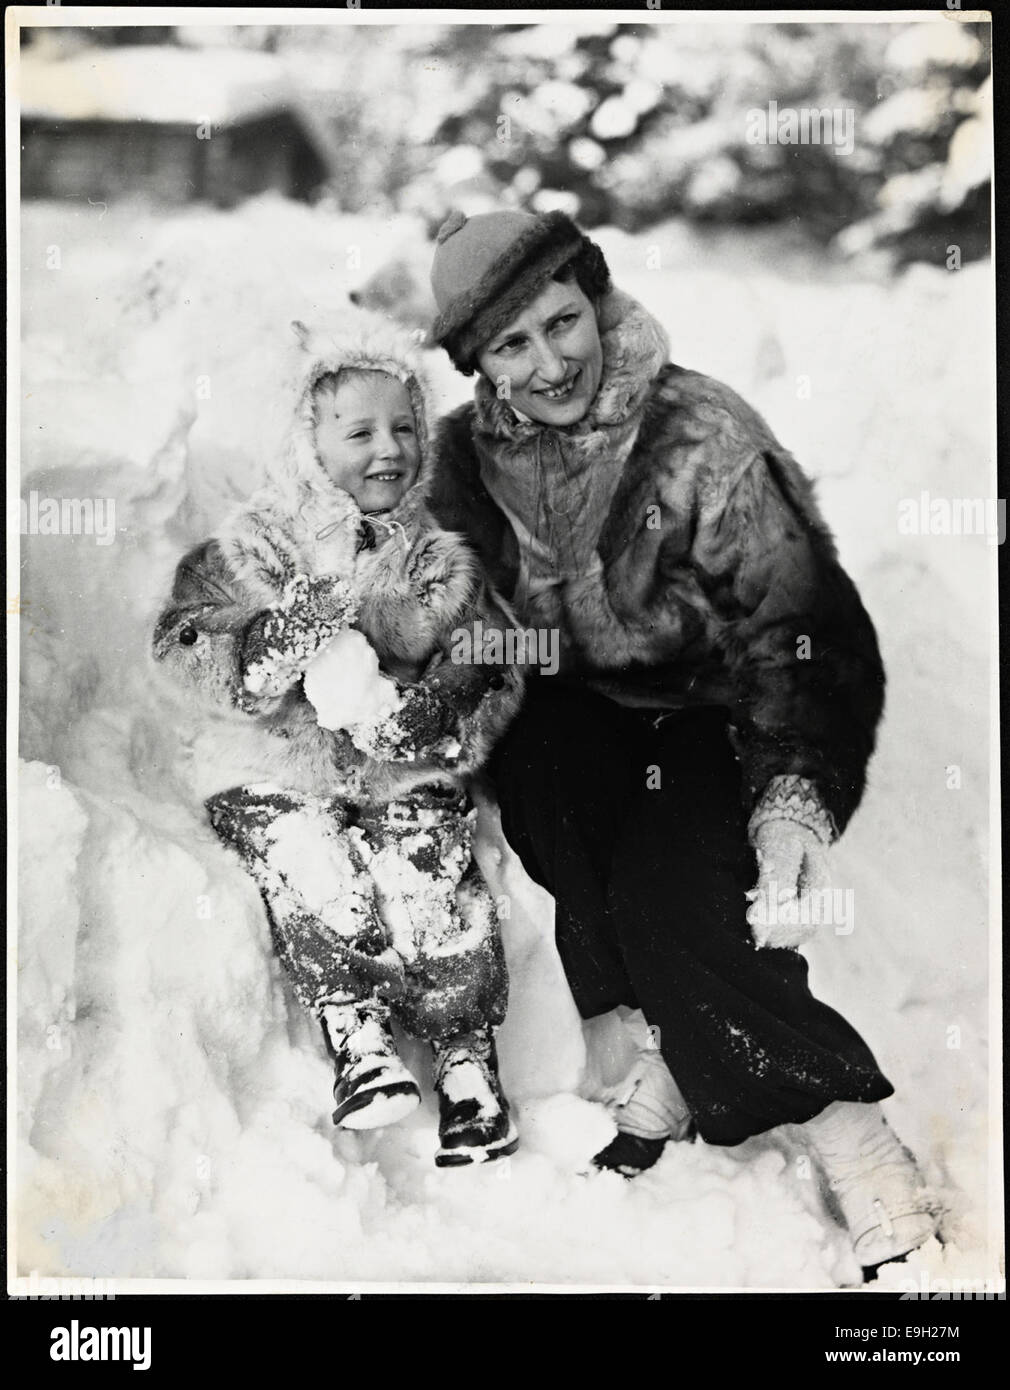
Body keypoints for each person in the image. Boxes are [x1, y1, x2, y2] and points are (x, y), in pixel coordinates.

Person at [425, 207, 940, 1270]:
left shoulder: (699, 434)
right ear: (480, 363)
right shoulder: (464, 461)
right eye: (510, 344)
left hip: (714, 714)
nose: (547, 360)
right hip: (576, 709)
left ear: (596, 301)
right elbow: (427, 592)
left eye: (561, 321)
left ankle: (850, 1125)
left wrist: (791, 786)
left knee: (673, 892)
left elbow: (801, 625)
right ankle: (662, 1044)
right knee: (552, 809)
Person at [151, 313, 523, 1166]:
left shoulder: (438, 560)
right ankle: (357, 1033)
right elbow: (185, 638)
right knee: (306, 856)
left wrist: (436, 710)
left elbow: (493, 658)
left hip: (399, 771)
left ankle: (467, 1055)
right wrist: (272, 641)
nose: (386, 449)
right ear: (305, 441)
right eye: (358, 431)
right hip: (276, 768)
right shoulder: (250, 547)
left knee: (429, 866)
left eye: (404, 428)